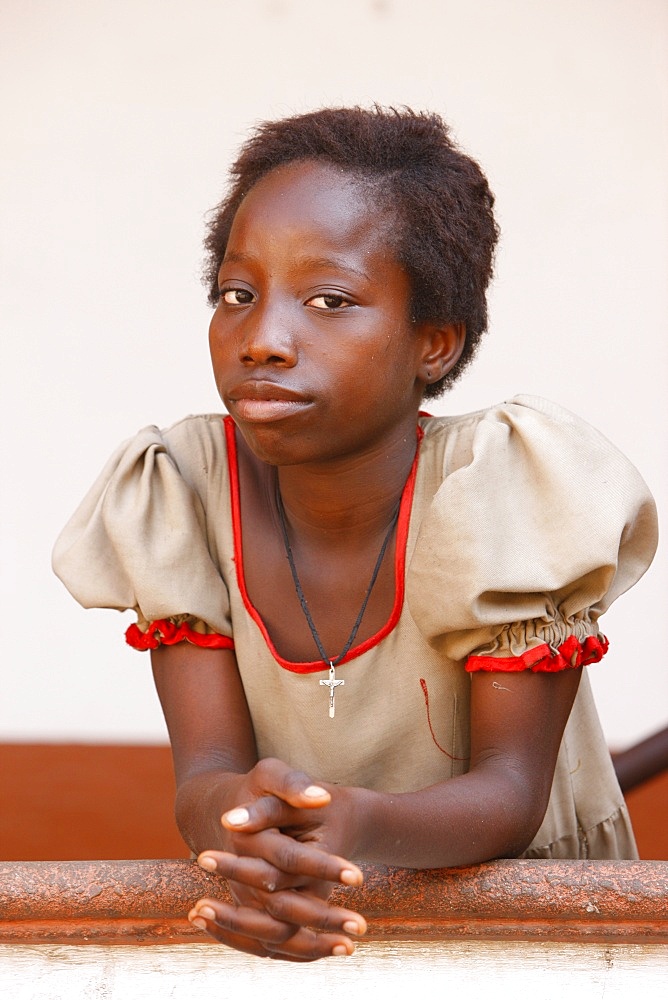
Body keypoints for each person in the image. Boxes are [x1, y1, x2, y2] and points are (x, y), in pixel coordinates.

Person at [52, 106, 658, 962]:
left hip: (533, 926)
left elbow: (511, 794)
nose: (263, 340)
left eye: (330, 300)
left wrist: (355, 826)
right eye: (237, 294)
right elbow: (204, 777)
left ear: (434, 344)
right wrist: (246, 832)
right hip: (312, 910)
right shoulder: (183, 486)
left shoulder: (500, 486)